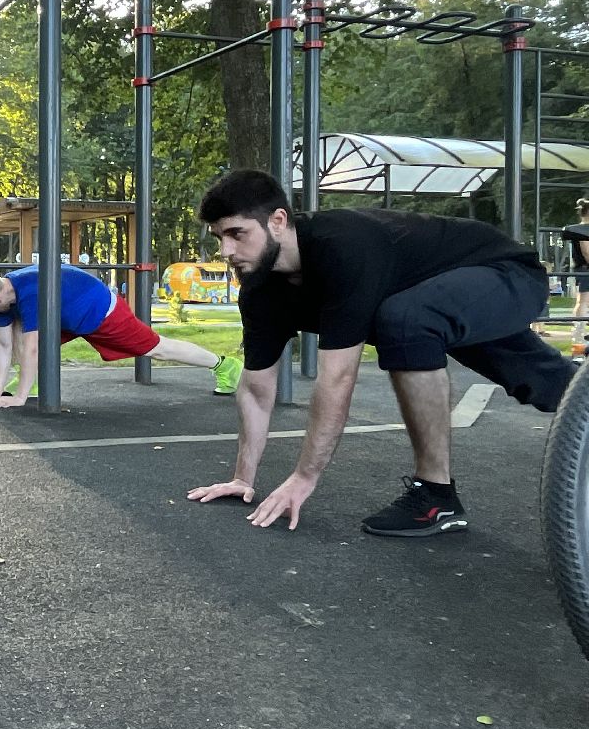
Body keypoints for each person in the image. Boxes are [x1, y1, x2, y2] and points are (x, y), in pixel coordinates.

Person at [188, 169, 575, 537]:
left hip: (505, 272)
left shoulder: (340, 248)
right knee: (554, 388)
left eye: (237, 234)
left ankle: (436, 497)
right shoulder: (260, 291)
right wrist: (244, 477)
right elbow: (257, 390)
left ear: (277, 221)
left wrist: (304, 477)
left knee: (404, 321)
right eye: (220, 236)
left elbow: (337, 379)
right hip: (436, 303)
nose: (226, 250)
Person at [0, 265, 243, 407]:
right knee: (18, 331)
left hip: (101, 313)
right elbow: (2, 342)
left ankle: (225, 365)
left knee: (157, 348)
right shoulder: (4, 295)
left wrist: (18, 398)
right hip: (68, 313)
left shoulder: (31, 293)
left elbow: (33, 349)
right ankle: (33, 383)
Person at [565, 199, 589, 361]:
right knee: (583, 301)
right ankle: (578, 339)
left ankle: (580, 339)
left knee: (584, 302)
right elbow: (587, 253)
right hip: (585, 268)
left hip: (583, 268)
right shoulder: (582, 229)